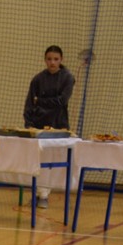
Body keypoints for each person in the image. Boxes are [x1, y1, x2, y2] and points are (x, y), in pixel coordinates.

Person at [24, 45, 75, 204]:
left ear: (61, 60)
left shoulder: (68, 78)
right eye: (49, 59)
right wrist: (28, 123)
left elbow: (62, 101)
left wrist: (40, 101)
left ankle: (44, 195)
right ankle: (39, 192)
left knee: (52, 162)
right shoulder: (37, 79)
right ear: (45, 60)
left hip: (59, 125)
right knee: (38, 160)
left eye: (56, 59)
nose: (52, 62)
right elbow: (29, 103)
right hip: (39, 125)